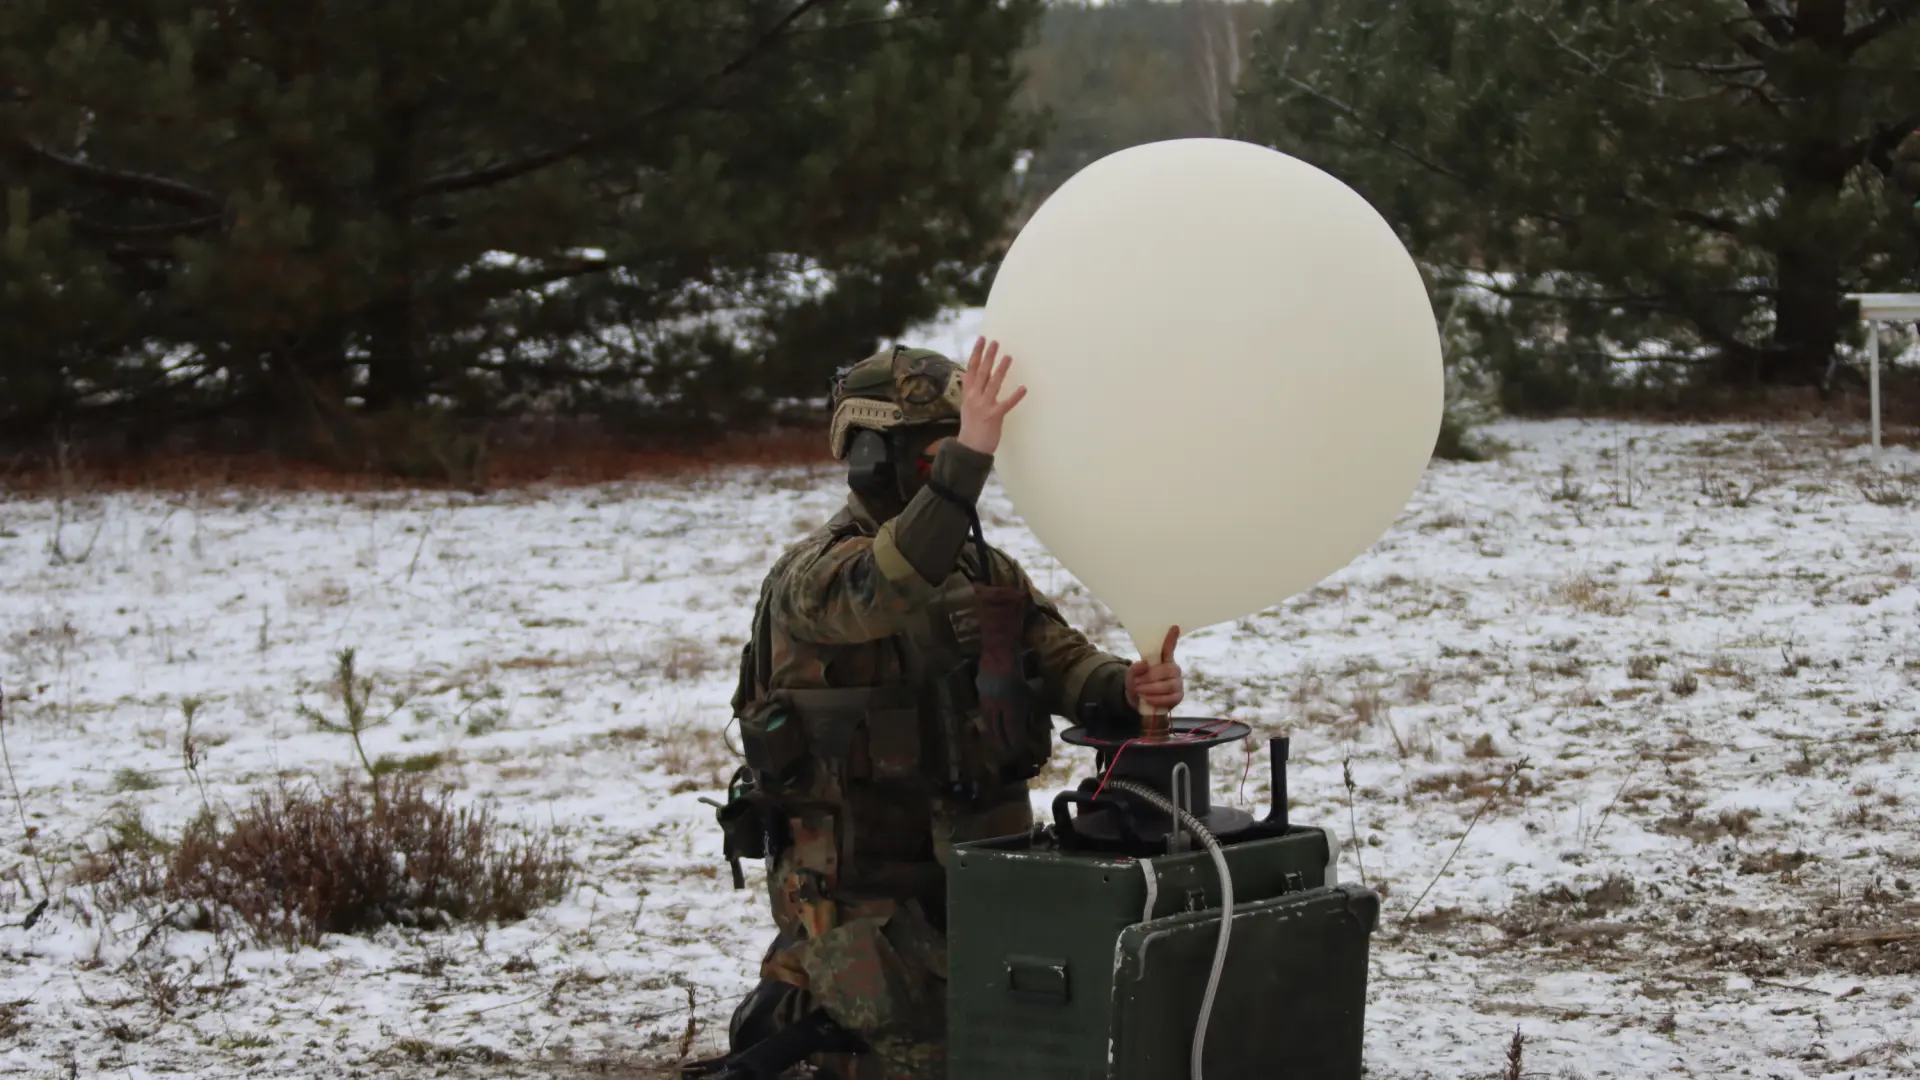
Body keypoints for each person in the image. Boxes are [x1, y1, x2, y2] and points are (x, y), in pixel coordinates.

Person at [691, 338, 1184, 1080]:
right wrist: (966, 467)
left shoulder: (982, 570)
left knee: (1030, 1039)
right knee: (941, 1060)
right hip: (861, 895)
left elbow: (1058, 659)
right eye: (937, 452)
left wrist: (1124, 686)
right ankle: (802, 1009)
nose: (955, 468)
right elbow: (887, 586)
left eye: (960, 453)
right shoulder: (818, 575)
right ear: (869, 457)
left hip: (982, 871)